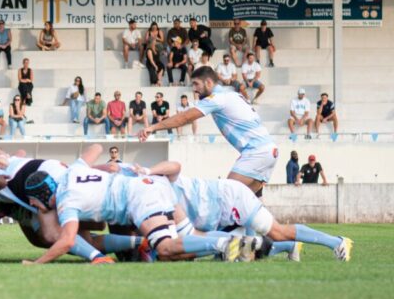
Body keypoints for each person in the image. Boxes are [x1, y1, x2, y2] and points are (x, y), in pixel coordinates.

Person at [21, 144, 240, 265]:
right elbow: (95, 147)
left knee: (164, 249)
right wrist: (102, 168)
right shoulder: (72, 171)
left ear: (43, 195)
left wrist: (37, 263)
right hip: (150, 186)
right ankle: (247, 243)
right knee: (176, 248)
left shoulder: (65, 201)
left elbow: (67, 241)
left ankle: (223, 245)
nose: (33, 206)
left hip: (139, 198)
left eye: (34, 201)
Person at [140, 66, 277, 194]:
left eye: (196, 84)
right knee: (252, 204)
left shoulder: (216, 99)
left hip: (255, 152)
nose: (194, 89)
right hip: (269, 150)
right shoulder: (232, 94)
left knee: (227, 196)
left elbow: (184, 118)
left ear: (209, 83)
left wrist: (153, 127)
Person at [169, 173, 351, 261]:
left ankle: (337, 242)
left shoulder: (155, 186)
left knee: (276, 233)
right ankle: (289, 246)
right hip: (218, 213)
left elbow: (174, 166)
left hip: (230, 198)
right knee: (242, 251)